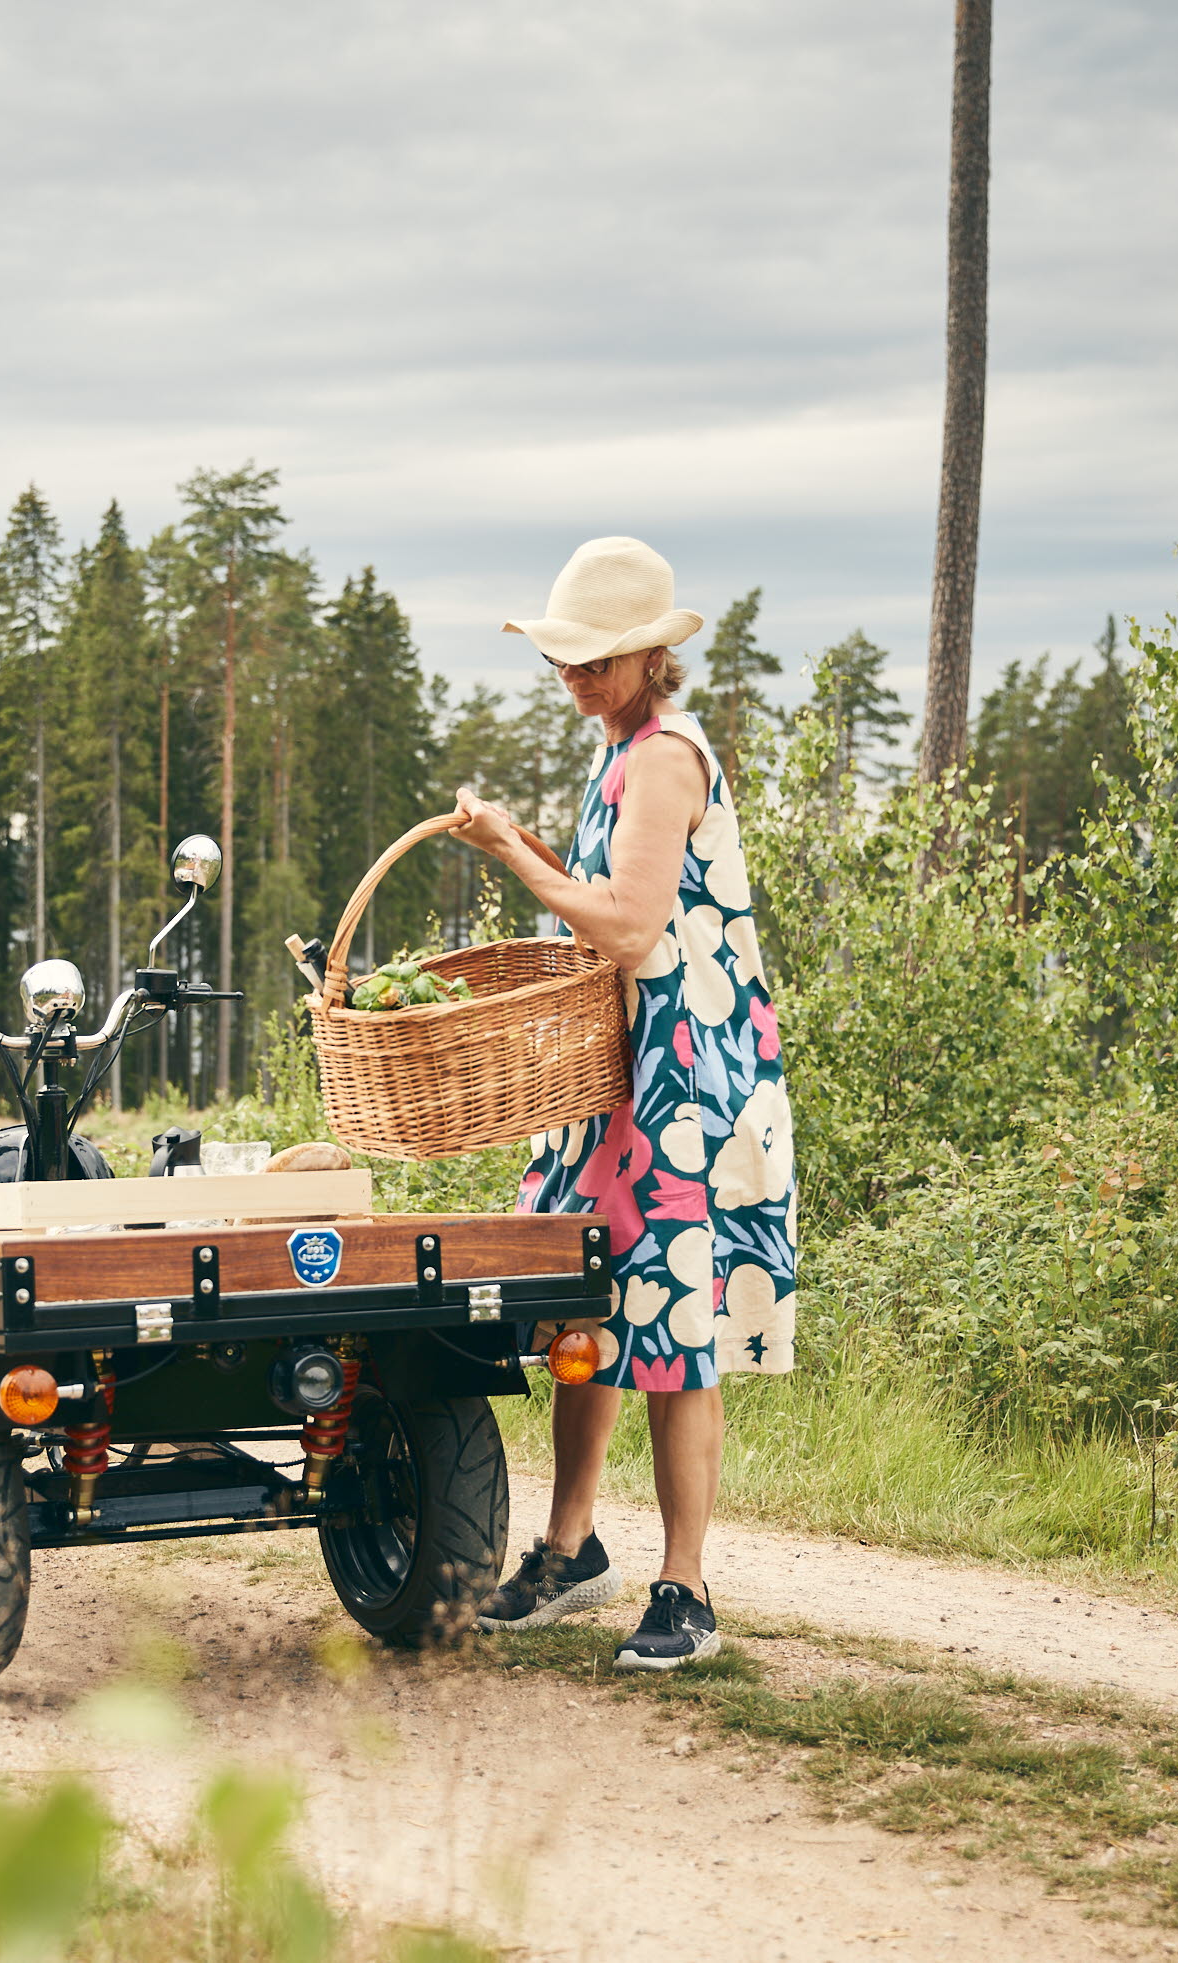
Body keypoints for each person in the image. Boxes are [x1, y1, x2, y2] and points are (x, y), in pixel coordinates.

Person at [450, 536, 796, 1671]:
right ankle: (569, 1548)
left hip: (681, 1078)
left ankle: (684, 1585)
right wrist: (534, 850)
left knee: (672, 1330)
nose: (577, 676)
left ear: (652, 656)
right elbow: (603, 900)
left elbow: (632, 928)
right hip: (616, 1076)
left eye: (599, 659)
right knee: (588, 1319)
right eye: (565, 656)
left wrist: (509, 851)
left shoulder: (663, 758)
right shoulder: (619, 750)